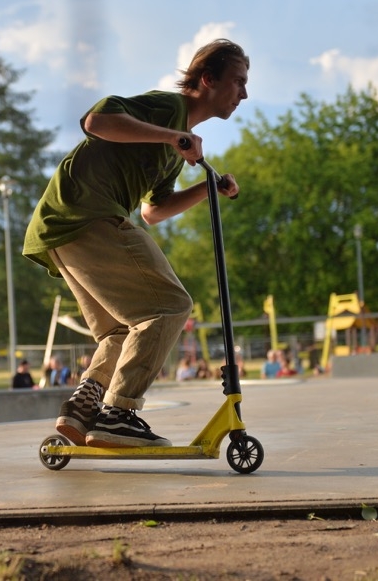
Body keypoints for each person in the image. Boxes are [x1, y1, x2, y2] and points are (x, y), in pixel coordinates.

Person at [23, 39, 248, 447]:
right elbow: (96, 120)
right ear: (208, 79)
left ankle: (82, 411)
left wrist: (207, 188)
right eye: (238, 81)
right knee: (170, 305)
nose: (244, 94)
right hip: (86, 214)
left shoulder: (176, 147)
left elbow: (153, 210)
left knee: (118, 332)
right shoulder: (168, 109)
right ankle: (119, 413)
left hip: (61, 226)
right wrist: (172, 135)